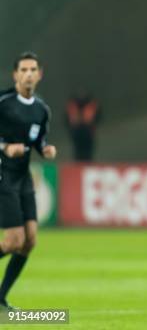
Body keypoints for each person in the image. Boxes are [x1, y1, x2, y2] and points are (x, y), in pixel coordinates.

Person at [0, 52, 57, 311]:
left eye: (33, 69)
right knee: (12, 241)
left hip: (22, 177)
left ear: (40, 74)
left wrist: (45, 149)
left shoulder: (41, 110)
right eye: (23, 69)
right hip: (3, 174)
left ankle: (1, 299)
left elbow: (38, 139)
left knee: (30, 240)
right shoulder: (3, 102)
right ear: (15, 75)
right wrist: (4, 147)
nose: (29, 74)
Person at [65, 89, 101, 161]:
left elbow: (98, 117)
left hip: (88, 132)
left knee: (88, 153)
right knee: (78, 153)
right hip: (77, 133)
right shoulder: (72, 106)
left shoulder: (92, 105)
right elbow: (66, 119)